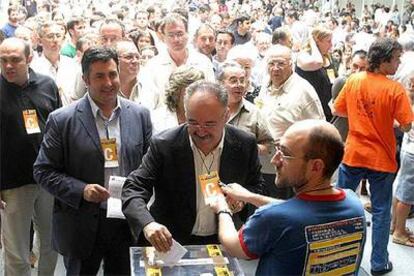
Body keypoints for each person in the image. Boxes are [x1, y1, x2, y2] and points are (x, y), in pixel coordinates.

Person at [33, 47, 152, 275]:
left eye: (112, 74)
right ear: (86, 79)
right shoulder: (62, 120)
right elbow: (43, 171)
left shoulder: (140, 115)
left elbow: (150, 167)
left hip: (126, 220)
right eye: (100, 76)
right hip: (81, 222)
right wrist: (82, 190)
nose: (108, 82)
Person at [208, 119, 366, 275]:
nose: (274, 160)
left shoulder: (273, 218)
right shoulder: (354, 204)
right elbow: (302, 213)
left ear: (316, 166)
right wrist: (249, 196)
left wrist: (222, 208)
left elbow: (234, 246)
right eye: (277, 149)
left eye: (285, 154)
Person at [122, 81, 265, 251]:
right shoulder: (165, 145)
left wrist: (242, 200)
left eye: (209, 124)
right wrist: (148, 224)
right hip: (172, 243)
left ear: (226, 115)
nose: (201, 131)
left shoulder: (244, 143)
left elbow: (258, 187)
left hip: (222, 241)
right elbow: (133, 187)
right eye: (193, 122)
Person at [334, 37, 413, 275]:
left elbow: (338, 109)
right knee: (380, 212)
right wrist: (390, 121)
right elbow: (408, 126)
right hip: (382, 159)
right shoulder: (395, 89)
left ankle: (340, 258)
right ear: (384, 59)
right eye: (397, 59)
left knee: (341, 208)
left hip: (354, 154)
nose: (399, 63)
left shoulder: (354, 80)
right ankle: (379, 262)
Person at [0, 37, 61, 276]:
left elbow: (59, 130)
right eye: (3, 60)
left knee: (50, 243)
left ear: (29, 59)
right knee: (16, 251)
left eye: (15, 60)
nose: (8, 66)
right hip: (11, 184)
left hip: (48, 179)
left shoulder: (47, 85)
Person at [256, 45, 325, 199]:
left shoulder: (303, 90)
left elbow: (320, 130)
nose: (275, 68)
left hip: (289, 168)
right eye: (271, 64)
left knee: (283, 211)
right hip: (262, 164)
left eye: (281, 64)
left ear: (291, 65)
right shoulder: (265, 85)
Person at [140, 13, 215, 110]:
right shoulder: (153, 66)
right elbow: (148, 102)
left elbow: (211, 95)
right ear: (163, 37)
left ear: (187, 34)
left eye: (180, 34)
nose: (176, 40)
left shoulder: (203, 62)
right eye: (171, 35)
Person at [296, 26, 336, 121]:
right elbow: (318, 63)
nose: (331, 45)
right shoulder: (304, 56)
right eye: (328, 41)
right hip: (311, 111)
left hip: (328, 110)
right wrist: (312, 43)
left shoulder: (328, 57)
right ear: (317, 41)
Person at [151, 65, 205, 134]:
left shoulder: (208, 118)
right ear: (176, 91)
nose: (198, 95)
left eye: (200, 89)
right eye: (192, 90)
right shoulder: (156, 119)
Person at [331, 50, 368, 141]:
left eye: (363, 68)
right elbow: (335, 109)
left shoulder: (370, 83)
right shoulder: (342, 81)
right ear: (350, 63)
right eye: (355, 66)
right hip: (343, 133)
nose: (357, 71)